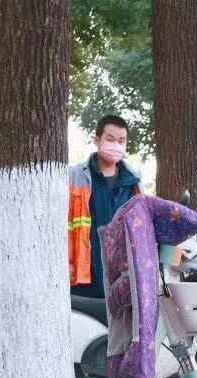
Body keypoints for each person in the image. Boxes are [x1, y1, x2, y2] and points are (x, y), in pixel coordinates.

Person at [69, 114, 143, 298]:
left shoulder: (133, 182)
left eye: (121, 141)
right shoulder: (75, 177)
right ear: (97, 140)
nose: (116, 145)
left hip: (121, 275)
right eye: (110, 139)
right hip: (83, 274)